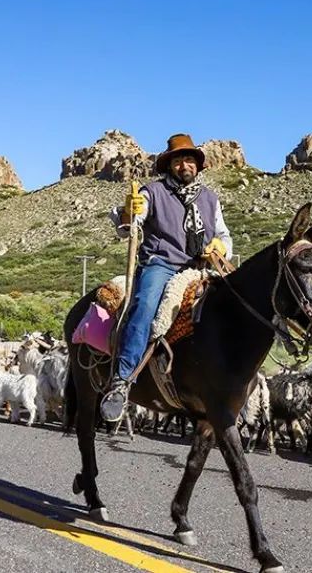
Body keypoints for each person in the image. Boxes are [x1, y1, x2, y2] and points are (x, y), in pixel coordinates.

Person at [101, 134, 233, 421]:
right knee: (146, 305)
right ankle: (122, 381)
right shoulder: (152, 192)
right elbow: (129, 226)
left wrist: (220, 246)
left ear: (197, 166)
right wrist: (129, 211)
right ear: (169, 165)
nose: (184, 165)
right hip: (161, 264)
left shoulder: (210, 198)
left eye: (189, 160)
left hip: (201, 266)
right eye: (177, 160)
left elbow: (223, 234)